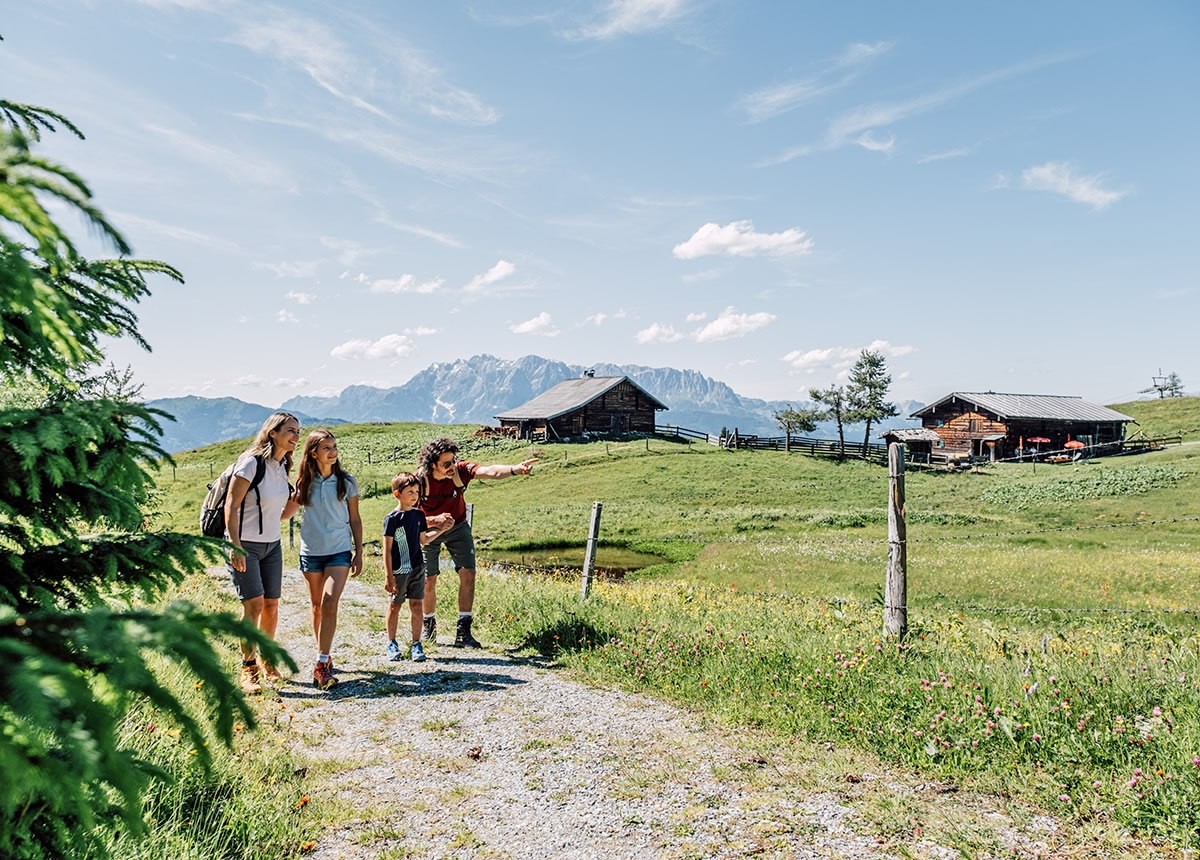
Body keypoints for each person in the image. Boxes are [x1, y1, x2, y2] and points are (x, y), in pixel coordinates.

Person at [416, 437, 538, 648]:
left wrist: (515, 469)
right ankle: (429, 627)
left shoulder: (460, 471)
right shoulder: (419, 481)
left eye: (454, 460)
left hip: (458, 526)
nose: (452, 467)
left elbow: (490, 471)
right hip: (428, 530)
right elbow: (408, 516)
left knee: (469, 573)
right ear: (432, 464)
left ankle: (463, 632)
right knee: (428, 579)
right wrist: (435, 521)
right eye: (446, 464)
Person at [225, 412, 302, 694]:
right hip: (245, 543)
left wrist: (298, 498)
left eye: (298, 431)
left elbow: (280, 515)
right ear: (273, 432)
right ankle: (248, 668)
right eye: (290, 430)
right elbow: (231, 505)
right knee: (254, 605)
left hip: (273, 545)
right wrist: (234, 545)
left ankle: (267, 660)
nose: (296, 436)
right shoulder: (251, 463)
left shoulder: (282, 466)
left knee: (271, 605)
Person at [295, 429, 363, 691]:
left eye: (334, 447)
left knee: (329, 601)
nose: (333, 452)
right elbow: (285, 510)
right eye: (327, 448)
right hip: (310, 551)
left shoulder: (347, 482)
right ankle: (323, 653)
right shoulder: (303, 482)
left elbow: (355, 519)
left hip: (339, 550)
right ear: (313, 453)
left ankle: (321, 663)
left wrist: (359, 551)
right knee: (316, 606)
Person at [383, 472, 454, 662]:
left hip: (417, 568)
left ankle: (416, 643)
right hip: (399, 570)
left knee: (416, 605)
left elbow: (424, 540)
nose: (415, 496)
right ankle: (391, 643)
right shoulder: (392, 518)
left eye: (417, 492)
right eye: (410, 492)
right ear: (397, 494)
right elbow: (387, 549)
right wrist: (389, 576)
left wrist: (441, 530)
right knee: (395, 605)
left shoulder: (419, 515)